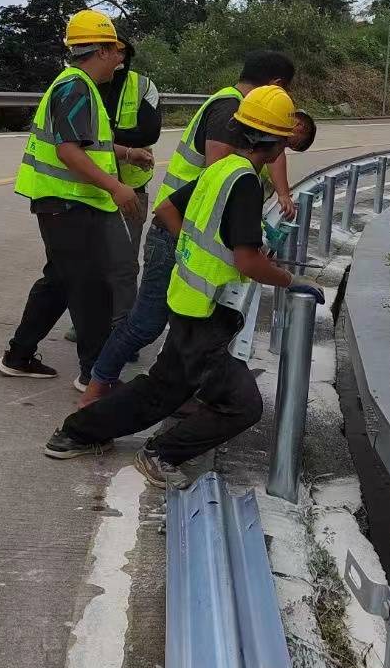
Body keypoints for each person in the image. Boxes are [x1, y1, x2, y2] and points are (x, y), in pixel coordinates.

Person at [42, 85, 326, 486]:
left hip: (187, 300)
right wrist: (290, 280)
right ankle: (161, 454)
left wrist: (195, 252)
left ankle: (75, 433)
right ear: (278, 143)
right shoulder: (245, 183)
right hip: (207, 313)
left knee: (163, 388)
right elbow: (247, 261)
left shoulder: (219, 170)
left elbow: (167, 209)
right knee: (242, 405)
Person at [76, 50, 298, 405]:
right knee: (147, 322)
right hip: (176, 231)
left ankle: (164, 393)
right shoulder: (230, 114)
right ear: (277, 86)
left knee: (182, 326)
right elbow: (224, 182)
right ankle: (95, 385)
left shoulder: (234, 114)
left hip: (181, 226)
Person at [0, 10, 145, 383]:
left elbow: (86, 144)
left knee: (60, 281)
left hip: (66, 203)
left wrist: (126, 154)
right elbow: (69, 151)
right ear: (102, 51)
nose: (121, 59)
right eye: (117, 50)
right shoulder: (75, 87)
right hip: (67, 204)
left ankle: (19, 355)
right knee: (90, 288)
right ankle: (94, 376)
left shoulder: (79, 87)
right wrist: (116, 187)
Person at [66, 41, 160, 346]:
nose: (117, 58)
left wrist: (108, 139)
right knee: (89, 261)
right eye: (111, 51)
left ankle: (121, 332)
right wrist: (118, 143)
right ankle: (88, 325)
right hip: (88, 188)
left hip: (129, 188)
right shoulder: (82, 85)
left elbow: (148, 133)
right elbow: (79, 140)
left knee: (123, 264)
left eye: (122, 52)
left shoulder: (143, 86)